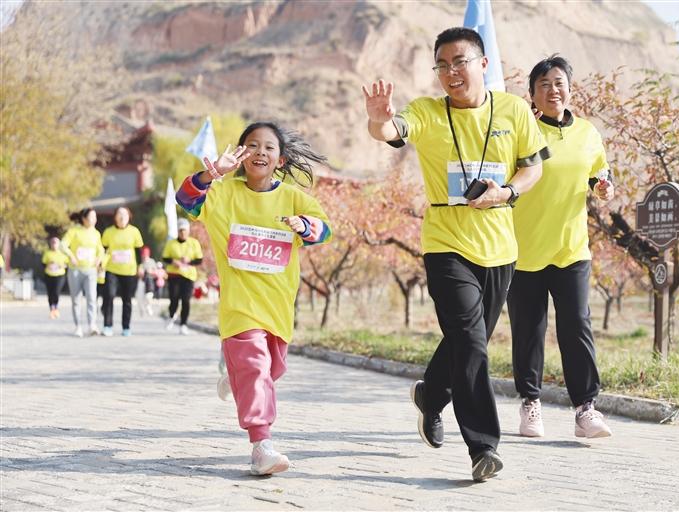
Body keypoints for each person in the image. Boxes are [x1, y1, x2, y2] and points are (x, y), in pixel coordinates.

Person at [363, 27, 548, 482]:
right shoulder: (427, 113)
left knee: (470, 342)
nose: (451, 72)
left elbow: (534, 166)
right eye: (442, 65)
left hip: (500, 246)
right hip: (446, 244)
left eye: (460, 61)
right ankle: (483, 446)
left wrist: (505, 192)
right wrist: (377, 119)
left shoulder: (513, 111)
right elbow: (391, 129)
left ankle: (431, 396)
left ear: (483, 64)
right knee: (470, 341)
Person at [175, 121, 332, 476]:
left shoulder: (293, 198)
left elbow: (324, 228)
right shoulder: (222, 193)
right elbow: (185, 199)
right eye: (252, 145)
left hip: (277, 307)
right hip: (239, 307)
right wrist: (208, 175)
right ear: (241, 154)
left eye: (269, 147)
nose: (260, 152)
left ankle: (236, 377)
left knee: (270, 369)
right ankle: (262, 446)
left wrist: (306, 227)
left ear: (280, 159)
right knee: (257, 369)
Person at [507, 55, 615, 439]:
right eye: (544, 84)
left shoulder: (587, 132)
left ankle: (586, 409)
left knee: (577, 327)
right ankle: (530, 404)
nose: (553, 90)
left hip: (571, 249)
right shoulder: (523, 132)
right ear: (532, 94)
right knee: (528, 330)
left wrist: (603, 186)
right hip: (524, 251)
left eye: (559, 82)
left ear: (570, 87)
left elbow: (600, 175)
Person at [101, 206, 144, 337]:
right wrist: (100, 263)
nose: (122, 217)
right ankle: (107, 325)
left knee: (127, 300)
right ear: (115, 217)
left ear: (129, 217)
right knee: (109, 296)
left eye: (124, 215)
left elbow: (139, 252)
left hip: (129, 271)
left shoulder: (134, 231)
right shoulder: (108, 232)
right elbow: (103, 250)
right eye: (119, 214)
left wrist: (140, 267)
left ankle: (126, 327)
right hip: (111, 269)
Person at [61, 208, 104, 337]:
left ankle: (92, 325)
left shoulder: (96, 233)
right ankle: (78, 326)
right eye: (92, 217)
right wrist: (71, 256)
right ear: (84, 219)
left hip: (90, 271)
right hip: (75, 271)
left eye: (95, 217)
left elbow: (100, 249)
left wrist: (99, 258)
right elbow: (62, 245)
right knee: (76, 299)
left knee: (92, 297)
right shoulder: (74, 231)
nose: (95, 220)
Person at [162, 218, 203, 335]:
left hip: (189, 275)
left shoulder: (194, 243)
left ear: (188, 231)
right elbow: (165, 257)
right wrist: (174, 261)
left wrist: (189, 261)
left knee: (186, 300)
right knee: (174, 298)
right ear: (178, 231)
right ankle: (171, 315)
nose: (183, 233)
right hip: (174, 274)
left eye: (185, 231)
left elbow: (199, 260)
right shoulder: (171, 243)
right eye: (181, 231)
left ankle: (183, 324)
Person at [41, 236, 69, 319]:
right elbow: (43, 264)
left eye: (55, 243)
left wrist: (61, 265)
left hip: (59, 275)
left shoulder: (62, 254)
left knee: (56, 292)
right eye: (52, 243)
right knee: (50, 293)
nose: (54, 245)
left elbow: (67, 264)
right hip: (49, 275)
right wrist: (49, 265)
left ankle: (55, 307)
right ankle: (52, 309)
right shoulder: (47, 253)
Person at [137, 246, 160, 316]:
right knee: (139, 297)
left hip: (150, 282)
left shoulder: (152, 262)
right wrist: (140, 272)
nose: (144, 257)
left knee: (148, 296)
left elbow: (156, 272)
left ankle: (148, 307)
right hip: (142, 282)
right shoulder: (141, 263)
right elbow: (138, 273)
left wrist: (150, 272)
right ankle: (141, 309)